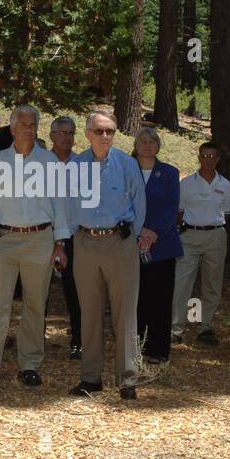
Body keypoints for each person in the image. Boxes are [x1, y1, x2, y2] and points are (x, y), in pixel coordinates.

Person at [0, 105, 71, 396]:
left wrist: (59, 243)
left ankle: (30, 365)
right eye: (23, 124)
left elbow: (60, 205)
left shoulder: (49, 162)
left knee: (35, 305)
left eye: (33, 124)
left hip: (41, 239)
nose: (28, 129)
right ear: (13, 128)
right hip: (6, 240)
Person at [70, 111, 147, 400]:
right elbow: (67, 204)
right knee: (88, 312)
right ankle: (91, 378)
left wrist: (131, 236)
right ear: (87, 134)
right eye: (99, 131)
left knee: (125, 313)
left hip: (120, 243)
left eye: (110, 131)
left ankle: (127, 380)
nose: (105, 137)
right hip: (86, 243)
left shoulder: (128, 165)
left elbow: (140, 202)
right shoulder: (75, 167)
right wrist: (74, 234)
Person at [171, 142, 230, 346]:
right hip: (190, 236)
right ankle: (177, 328)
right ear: (198, 158)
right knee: (182, 284)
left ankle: (204, 326)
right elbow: (179, 212)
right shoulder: (187, 183)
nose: (208, 160)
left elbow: (227, 214)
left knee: (211, 284)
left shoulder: (225, 184)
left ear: (218, 159)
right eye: (204, 156)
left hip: (215, 236)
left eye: (212, 156)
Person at [133, 127, 182, 365]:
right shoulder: (125, 170)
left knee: (161, 299)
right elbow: (121, 202)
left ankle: (159, 350)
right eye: (143, 141)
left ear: (158, 146)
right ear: (135, 144)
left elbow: (171, 209)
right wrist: (139, 230)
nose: (148, 145)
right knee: (136, 298)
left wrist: (152, 232)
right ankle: (136, 346)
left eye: (152, 141)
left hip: (162, 245)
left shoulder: (170, 173)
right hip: (131, 243)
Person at [47, 115, 83, 359]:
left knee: (75, 292)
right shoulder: (39, 164)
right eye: (62, 132)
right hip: (41, 235)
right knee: (37, 292)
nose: (67, 137)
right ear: (51, 136)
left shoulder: (83, 165)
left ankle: (78, 342)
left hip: (73, 237)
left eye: (71, 133)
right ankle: (33, 343)